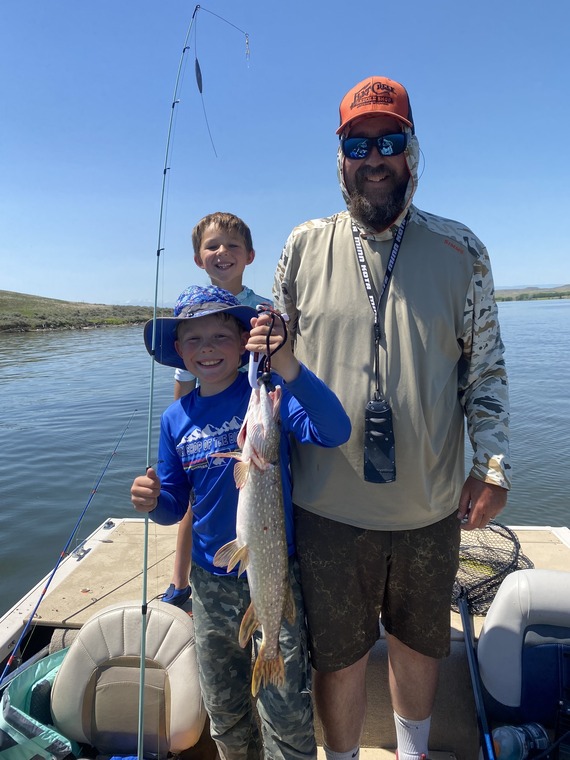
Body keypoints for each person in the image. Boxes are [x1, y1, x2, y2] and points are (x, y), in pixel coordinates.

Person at [272, 76, 511, 760]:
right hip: (324, 506)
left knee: (418, 640)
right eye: (357, 143)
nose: (373, 157)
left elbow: (486, 370)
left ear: (412, 152)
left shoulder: (462, 250)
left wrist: (491, 464)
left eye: (389, 140)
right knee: (337, 655)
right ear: (340, 156)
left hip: (430, 505)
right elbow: (268, 368)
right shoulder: (301, 247)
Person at [131, 285, 351, 760]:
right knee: (225, 709)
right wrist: (154, 501)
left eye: (219, 335)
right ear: (178, 351)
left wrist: (289, 368)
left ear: (242, 342)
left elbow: (336, 430)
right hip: (210, 584)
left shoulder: (270, 399)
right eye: (193, 339)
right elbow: (174, 505)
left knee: (286, 714)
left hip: (274, 577)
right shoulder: (175, 419)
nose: (207, 348)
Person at [165, 212, 271, 607]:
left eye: (232, 246)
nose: (222, 253)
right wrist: (182, 435)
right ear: (198, 259)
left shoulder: (264, 308)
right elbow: (184, 383)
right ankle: (180, 579)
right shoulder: (191, 315)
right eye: (212, 246)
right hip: (208, 426)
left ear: (250, 256)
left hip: (258, 418)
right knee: (197, 500)